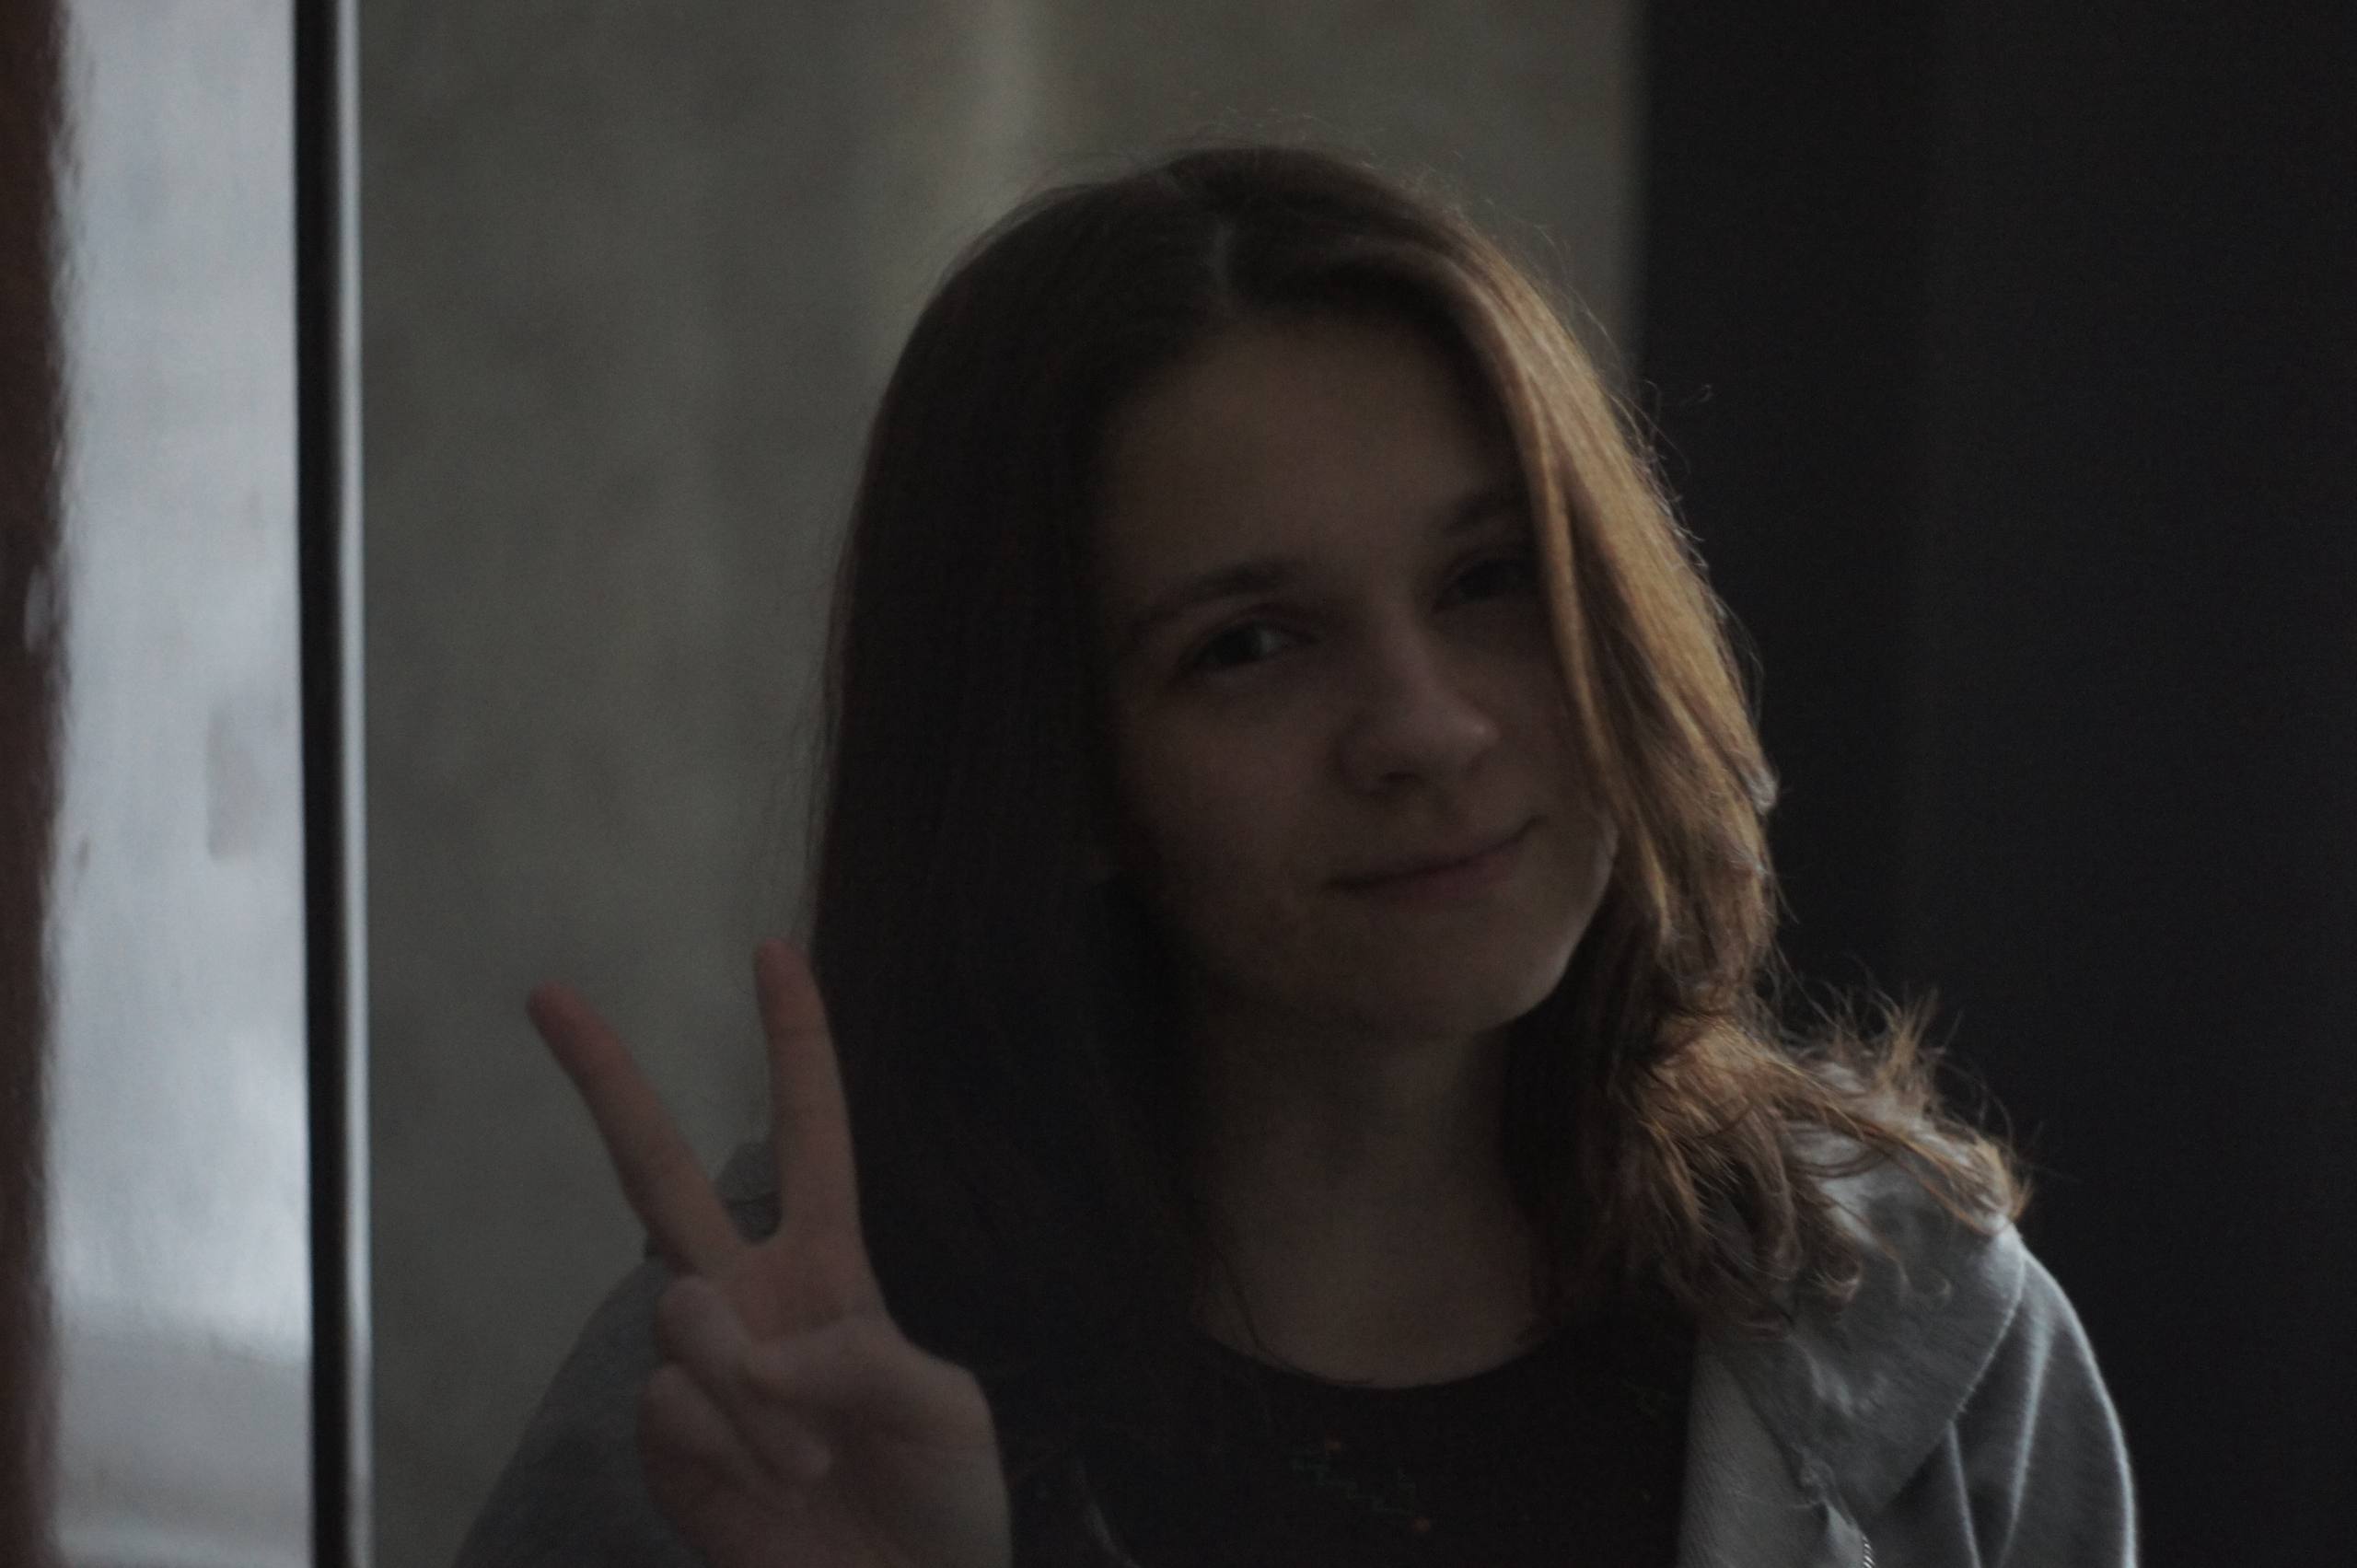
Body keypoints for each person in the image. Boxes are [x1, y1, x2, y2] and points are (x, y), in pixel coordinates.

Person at [455, 145, 2136, 1567]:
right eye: (1249, 646)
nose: (1426, 728)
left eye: (1489, 580)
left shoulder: (1916, 1327)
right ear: (1059, 767)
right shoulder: (771, 1388)